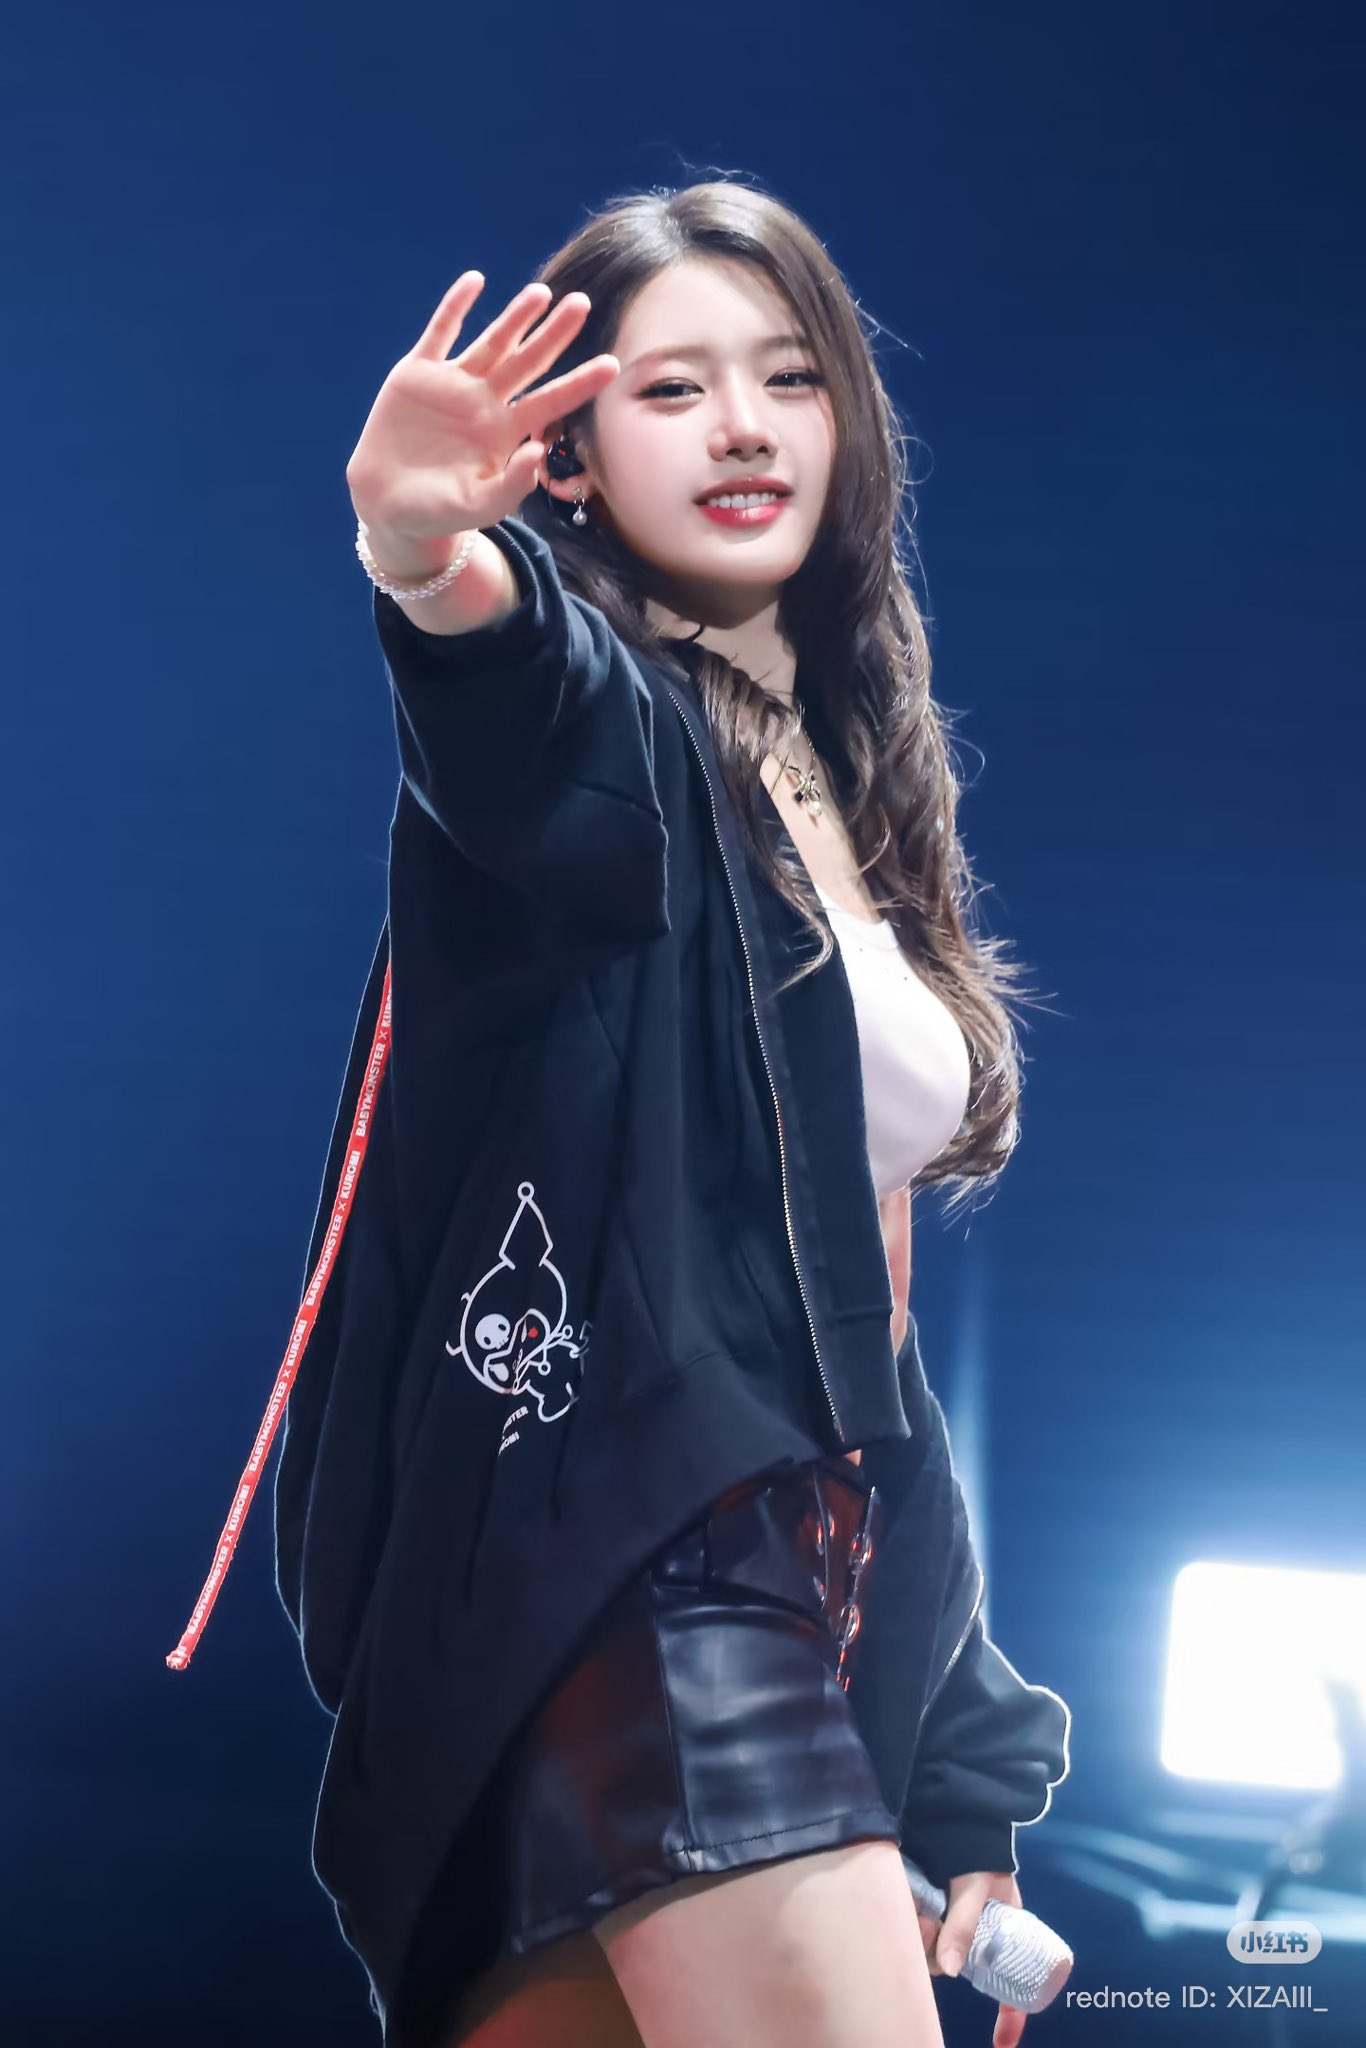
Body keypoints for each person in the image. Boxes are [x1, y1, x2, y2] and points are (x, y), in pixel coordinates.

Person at [271, 179, 1071, 2048]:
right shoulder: (609, 713)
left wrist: (961, 1758)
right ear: (563, 458)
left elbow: (866, 1342)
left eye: (787, 377)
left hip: (776, 1588)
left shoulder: (839, 788)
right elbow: (505, 678)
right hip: (646, 1564)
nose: (740, 427)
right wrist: (415, 546)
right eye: (670, 388)